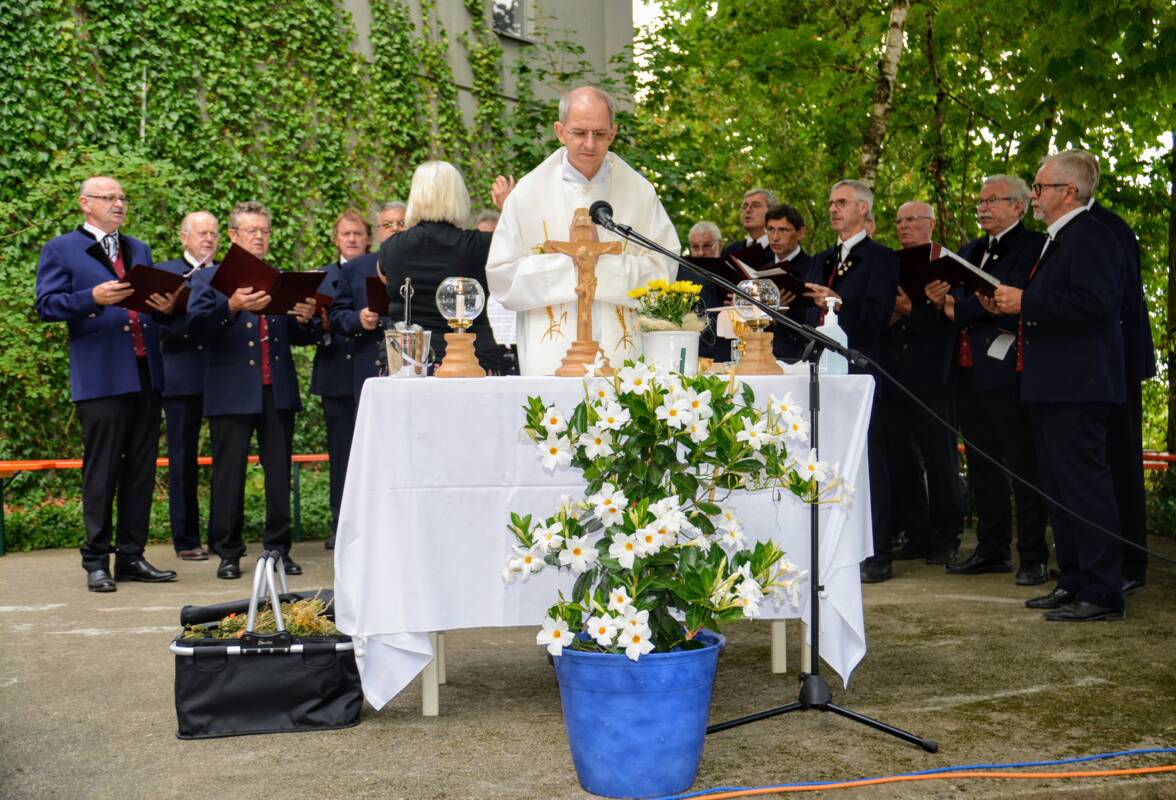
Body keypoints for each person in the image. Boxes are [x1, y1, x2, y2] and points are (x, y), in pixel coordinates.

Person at [986, 151, 1126, 621]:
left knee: (1085, 489)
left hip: (1078, 386)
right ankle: (1073, 580)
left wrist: (1026, 301)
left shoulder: (1092, 236)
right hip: (1050, 385)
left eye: (1041, 188)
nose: (1035, 196)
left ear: (1069, 192)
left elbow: (1096, 304)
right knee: (1059, 490)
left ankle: (1103, 591)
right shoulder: (1059, 239)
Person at [34, 176, 178, 591]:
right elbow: (46, 305)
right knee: (102, 471)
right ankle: (96, 560)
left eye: (122, 197)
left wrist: (166, 309)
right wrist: (91, 298)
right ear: (85, 203)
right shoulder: (61, 249)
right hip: (101, 377)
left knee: (140, 470)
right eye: (108, 197)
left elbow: (151, 309)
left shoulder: (139, 248)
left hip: (146, 373)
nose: (118, 203)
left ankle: (131, 557)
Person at [486, 85, 678, 376]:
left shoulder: (639, 192)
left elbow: (664, 269)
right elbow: (502, 278)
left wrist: (602, 266)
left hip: (622, 352)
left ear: (613, 133)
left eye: (600, 134)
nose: (590, 144)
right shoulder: (527, 194)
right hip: (550, 354)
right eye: (579, 133)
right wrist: (572, 265)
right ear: (560, 131)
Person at [187, 201, 320, 579]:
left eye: (264, 230)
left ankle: (279, 549)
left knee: (279, 473)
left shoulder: (280, 278)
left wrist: (308, 320)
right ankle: (228, 552)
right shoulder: (207, 279)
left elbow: (297, 335)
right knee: (229, 475)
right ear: (233, 236)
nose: (260, 236)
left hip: (275, 388)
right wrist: (230, 305)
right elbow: (195, 330)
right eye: (252, 230)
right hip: (230, 389)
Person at [931, 176, 1049, 585]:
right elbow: (963, 304)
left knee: (1022, 464)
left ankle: (1033, 555)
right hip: (967, 370)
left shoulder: (1033, 247)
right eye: (979, 201)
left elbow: (1009, 304)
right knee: (981, 465)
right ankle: (991, 547)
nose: (982, 208)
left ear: (1018, 206)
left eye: (992, 200)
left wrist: (957, 309)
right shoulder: (971, 250)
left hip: (1008, 372)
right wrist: (942, 301)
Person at [1066, 150, 1155, 596]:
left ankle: (1130, 562)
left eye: (1044, 187)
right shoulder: (1078, 229)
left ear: (1074, 187)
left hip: (1113, 365)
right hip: (1096, 366)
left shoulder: (1105, 229)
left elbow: (1114, 303)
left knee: (1119, 462)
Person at [803, 179, 900, 584]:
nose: (833, 209)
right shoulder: (823, 258)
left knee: (870, 457)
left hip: (862, 366)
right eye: (830, 202)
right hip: (821, 367)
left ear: (863, 209)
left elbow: (878, 316)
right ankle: (832, 542)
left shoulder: (882, 258)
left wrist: (836, 303)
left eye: (841, 202)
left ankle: (877, 549)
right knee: (828, 454)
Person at [882, 201, 963, 566]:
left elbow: (955, 322)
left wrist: (910, 310)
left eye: (911, 220)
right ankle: (916, 531)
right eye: (898, 221)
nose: (903, 226)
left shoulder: (949, 265)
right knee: (900, 456)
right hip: (894, 372)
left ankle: (946, 535)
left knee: (939, 458)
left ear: (931, 224)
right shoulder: (889, 263)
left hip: (934, 375)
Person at [378, 160, 505, 373]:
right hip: (472, 359)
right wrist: (508, 207)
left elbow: (384, 278)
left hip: (408, 361)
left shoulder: (390, 247)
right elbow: (524, 244)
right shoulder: (480, 245)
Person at [155, 211, 220, 561]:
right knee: (182, 459)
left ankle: (223, 536)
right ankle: (186, 538)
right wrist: (180, 319)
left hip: (221, 374)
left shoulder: (227, 273)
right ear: (184, 237)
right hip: (180, 377)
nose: (208, 239)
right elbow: (155, 327)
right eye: (201, 233)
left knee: (227, 458)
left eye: (213, 233)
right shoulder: (164, 273)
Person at [310, 210, 372, 550]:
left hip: (370, 375)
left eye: (358, 234)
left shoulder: (380, 270)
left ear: (367, 239)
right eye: (345, 234)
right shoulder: (322, 277)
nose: (351, 239)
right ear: (336, 239)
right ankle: (339, 524)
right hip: (335, 375)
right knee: (340, 455)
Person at [762, 203, 814, 362]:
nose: (775, 237)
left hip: (801, 355)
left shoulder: (813, 267)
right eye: (770, 229)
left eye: (783, 230)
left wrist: (783, 313)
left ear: (800, 233)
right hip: (765, 354)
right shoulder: (761, 270)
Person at [721, 188, 776, 257]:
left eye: (755, 205)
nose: (747, 210)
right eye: (745, 206)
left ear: (771, 212)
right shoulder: (731, 251)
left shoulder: (781, 251)